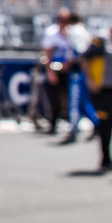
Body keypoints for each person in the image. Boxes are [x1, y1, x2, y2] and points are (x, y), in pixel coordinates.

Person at [82, 25, 112, 173]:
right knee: (105, 125)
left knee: (111, 124)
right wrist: (90, 81)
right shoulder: (101, 39)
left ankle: (107, 159)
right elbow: (85, 58)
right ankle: (105, 159)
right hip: (102, 89)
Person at [39, 8, 76, 136]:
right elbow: (47, 54)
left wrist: (69, 65)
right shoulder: (51, 32)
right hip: (55, 69)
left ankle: (71, 122)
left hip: (69, 70)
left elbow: (75, 52)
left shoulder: (72, 32)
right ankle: (53, 122)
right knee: (54, 97)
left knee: (70, 97)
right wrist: (50, 72)